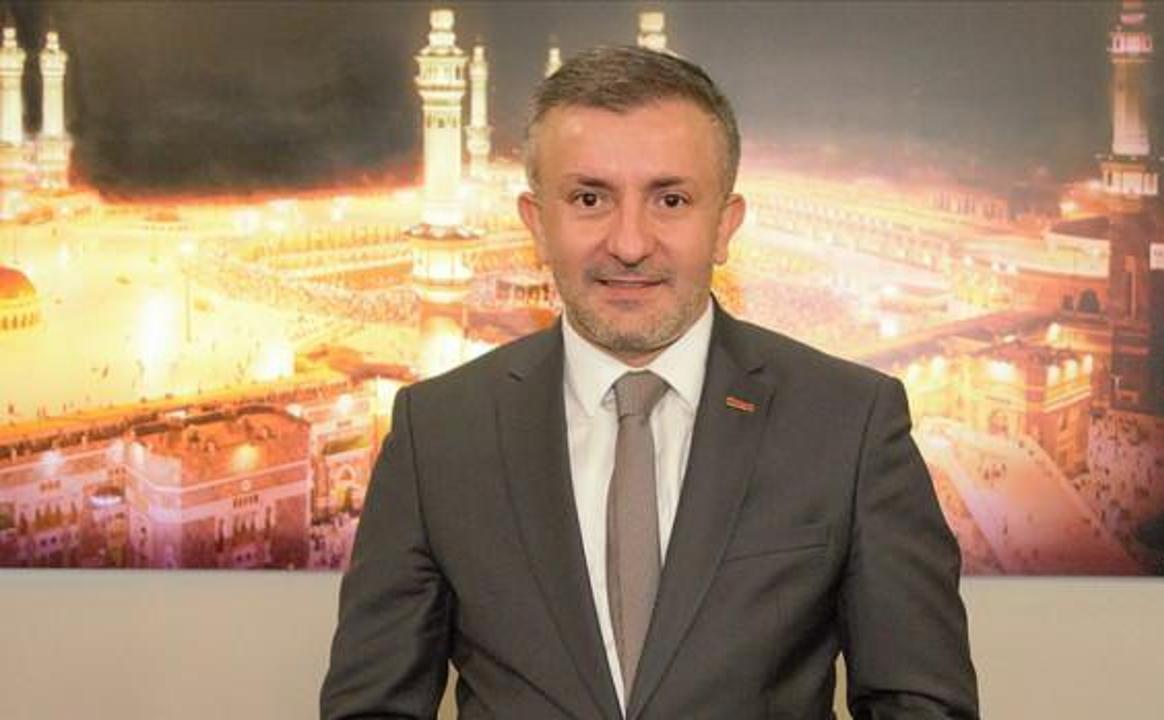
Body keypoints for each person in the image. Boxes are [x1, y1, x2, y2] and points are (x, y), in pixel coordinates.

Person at [321, 45, 978, 719]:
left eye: (670, 199)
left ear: (724, 226)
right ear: (536, 224)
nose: (630, 244)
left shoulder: (846, 423)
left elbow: (920, 704)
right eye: (589, 198)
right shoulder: (439, 433)